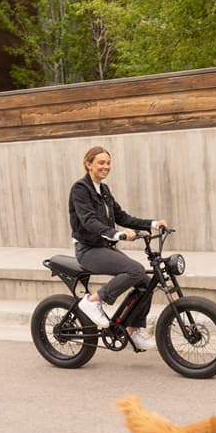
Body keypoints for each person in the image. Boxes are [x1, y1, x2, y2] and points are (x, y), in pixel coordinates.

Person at [69, 146, 168, 351]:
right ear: (88, 164)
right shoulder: (80, 189)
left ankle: (133, 331)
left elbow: (122, 217)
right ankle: (92, 301)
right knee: (135, 270)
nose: (106, 167)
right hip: (88, 250)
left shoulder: (103, 190)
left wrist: (152, 224)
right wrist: (117, 234)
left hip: (104, 247)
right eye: (101, 163)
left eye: (108, 163)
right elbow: (88, 221)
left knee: (145, 282)